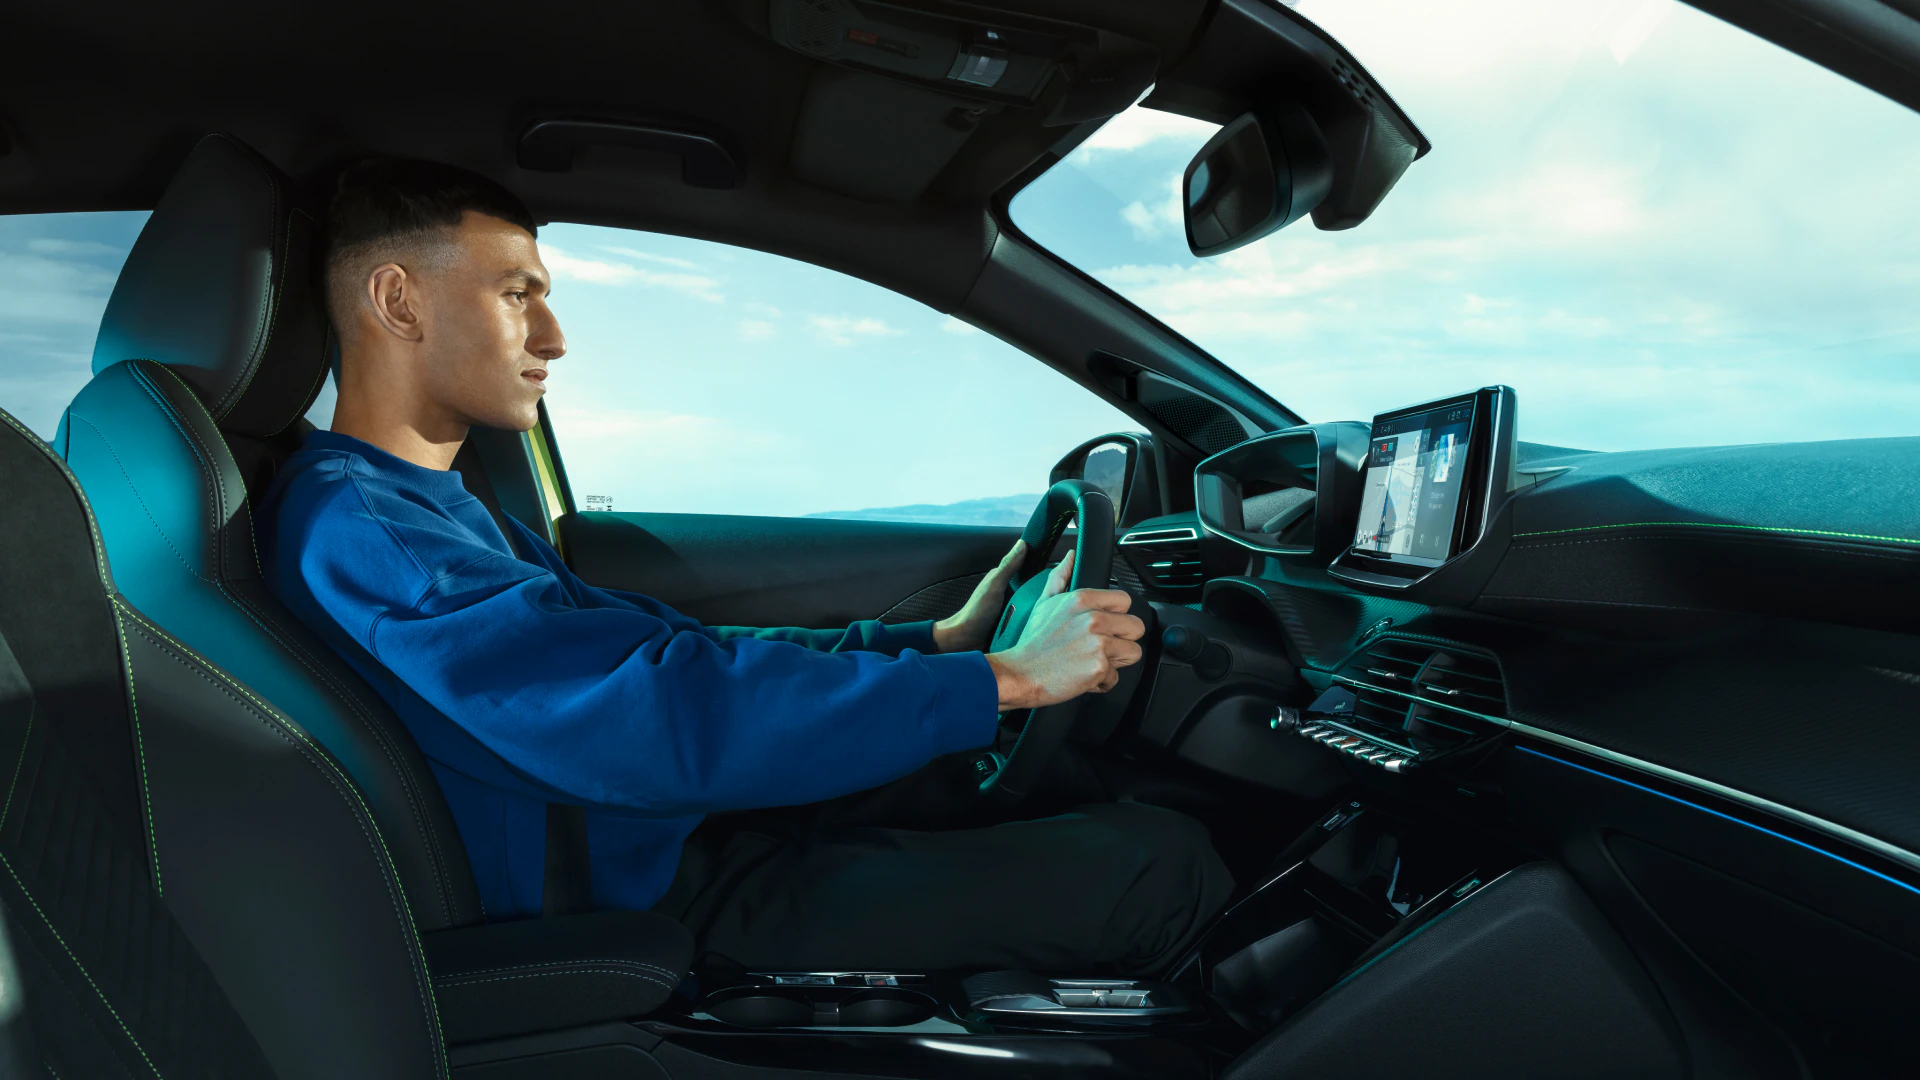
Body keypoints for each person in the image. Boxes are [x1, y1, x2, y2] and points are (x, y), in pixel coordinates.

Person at [259, 159, 1232, 974]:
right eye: (519, 295)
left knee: (1050, 796)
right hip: (631, 906)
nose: (553, 339)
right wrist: (1006, 679)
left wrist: (930, 642)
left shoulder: (428, 505)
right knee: (1155, 865)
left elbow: (662, 648)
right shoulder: (369, 534)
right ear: (398, 300)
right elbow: (655, 709)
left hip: (651, 830)